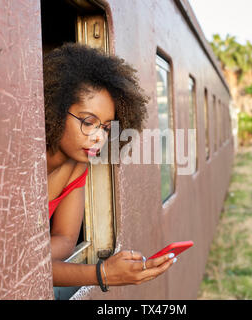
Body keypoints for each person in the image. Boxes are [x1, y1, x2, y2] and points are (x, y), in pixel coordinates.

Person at [43, 43, 177, 289]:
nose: (99, 137)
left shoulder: (77, 167)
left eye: (105, 127)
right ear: (54, 109)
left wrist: (29, 258)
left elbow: (64, 239)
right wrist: (102, 274)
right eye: (87, 122)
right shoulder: (17, 164)